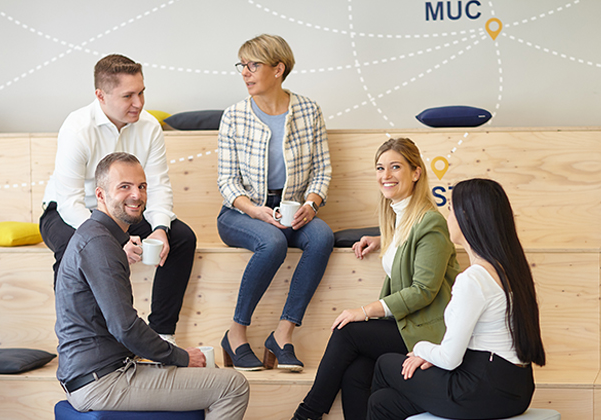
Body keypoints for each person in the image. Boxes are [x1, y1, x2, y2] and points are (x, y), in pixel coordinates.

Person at [55, 152, 249, 418]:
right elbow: (125, 327)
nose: (137, 194)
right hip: (101, 382)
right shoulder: (99, 244)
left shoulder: (99, 238)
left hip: (102, 372)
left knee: (204, 380)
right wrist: (180, 357)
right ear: (100, 195)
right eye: (124, 187)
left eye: (142, 186)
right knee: (233, 386)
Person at [292, 138, 461, 420]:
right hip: (406, 324)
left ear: (416, 172)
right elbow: (409, 242)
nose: (386, 175)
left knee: (348, 331)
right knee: (357, 371)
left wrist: (365, 310)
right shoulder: (399, 220)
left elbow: (423, 290)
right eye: (380, 168)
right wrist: (382, 240)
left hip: (428, 330)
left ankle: (307, 414)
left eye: (396, 167)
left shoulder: (431, 222)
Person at [40, 54, 196, 345]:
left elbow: (159, 184)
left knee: (182, 237)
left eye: (141, 92)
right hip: (70, 213)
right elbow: (69, 200)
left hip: (125, 211)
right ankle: (77, 340)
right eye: (128, 95)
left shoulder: (149, 127)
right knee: (72, 249)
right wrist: (109, 241)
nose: (138, 103)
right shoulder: (77, 127)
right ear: (100, 95)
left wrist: (161, 227)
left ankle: (162, 335)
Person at [367, 178, 546, 420]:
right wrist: (431, 356)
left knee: (385, 363)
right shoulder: (512, 271)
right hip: (517, 390)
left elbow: (450, 359)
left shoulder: (473, 279)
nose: (446, 216)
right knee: (383, 402)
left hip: (480, 391)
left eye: (450, 209)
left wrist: (421, 349)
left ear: (467, 217)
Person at [217, 34, 334, 372]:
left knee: (322, 236)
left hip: (292, 208)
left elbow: (322, 170)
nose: (245, 72)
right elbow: (226, 181)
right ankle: (236, 334)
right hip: (241, 211)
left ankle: (283, 335)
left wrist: (312, 203)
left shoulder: (309, 111)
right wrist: (255, 211)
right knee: (271, 242)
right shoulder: (234, 116)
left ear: (278, 69)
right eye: (242, 65)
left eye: (253, 65)